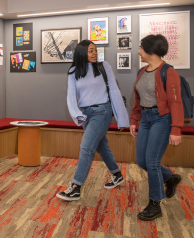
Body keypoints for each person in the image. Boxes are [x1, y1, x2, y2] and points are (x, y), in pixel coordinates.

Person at [56, 40, 130, 201]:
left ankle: (75, 187)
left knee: (87, 146)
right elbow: (70, 96)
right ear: (82, 52)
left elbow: (115, 91)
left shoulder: (104, 66)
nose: (95, 53)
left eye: (95, 50)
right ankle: (117, 174)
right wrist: (77, 114)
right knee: (101, 145)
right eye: (91, 51)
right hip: (86, 113)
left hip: (102, 111)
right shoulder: (74, 71)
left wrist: (122, 118)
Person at [131, 34, 183, 221]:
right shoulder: (141, 72)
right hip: (145, 118)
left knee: (152, 162)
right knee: (141, 161)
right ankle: (170, 178)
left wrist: (176, 129)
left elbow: (175, 102)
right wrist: (134, 120)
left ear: (150, 50)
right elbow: (138, 100)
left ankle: (155, 203)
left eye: (141, 48)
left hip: (162, 119)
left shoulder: (169, 72)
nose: (139, 51)